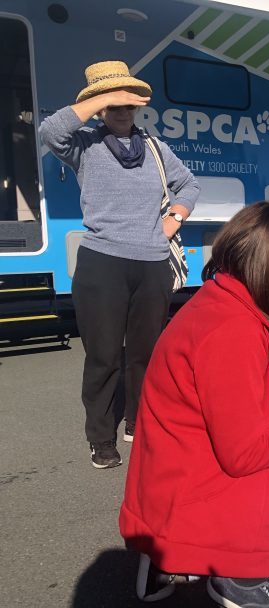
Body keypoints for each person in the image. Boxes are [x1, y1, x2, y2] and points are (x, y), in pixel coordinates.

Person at [119, 203, 269, 608]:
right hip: (198, 497)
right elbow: (245, 454)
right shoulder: (232, 331)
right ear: (268, 264)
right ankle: (249, 576)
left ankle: (182, 562)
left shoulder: (217, 307)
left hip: (171, 489)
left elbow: (248, 417)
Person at [39, 60, 199, 468]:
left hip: (151, 264)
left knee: (144, 354)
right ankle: (101, 438)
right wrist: (103, 97)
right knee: (104, 357)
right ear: (99, 105)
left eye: (127, 101)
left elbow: (188, 184)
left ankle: (138, 421)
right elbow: (49, 132)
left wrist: (174, 218)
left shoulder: (156, 149)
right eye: (113, 103)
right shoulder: (84, 146)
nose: (121, 109)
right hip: (102, 264)